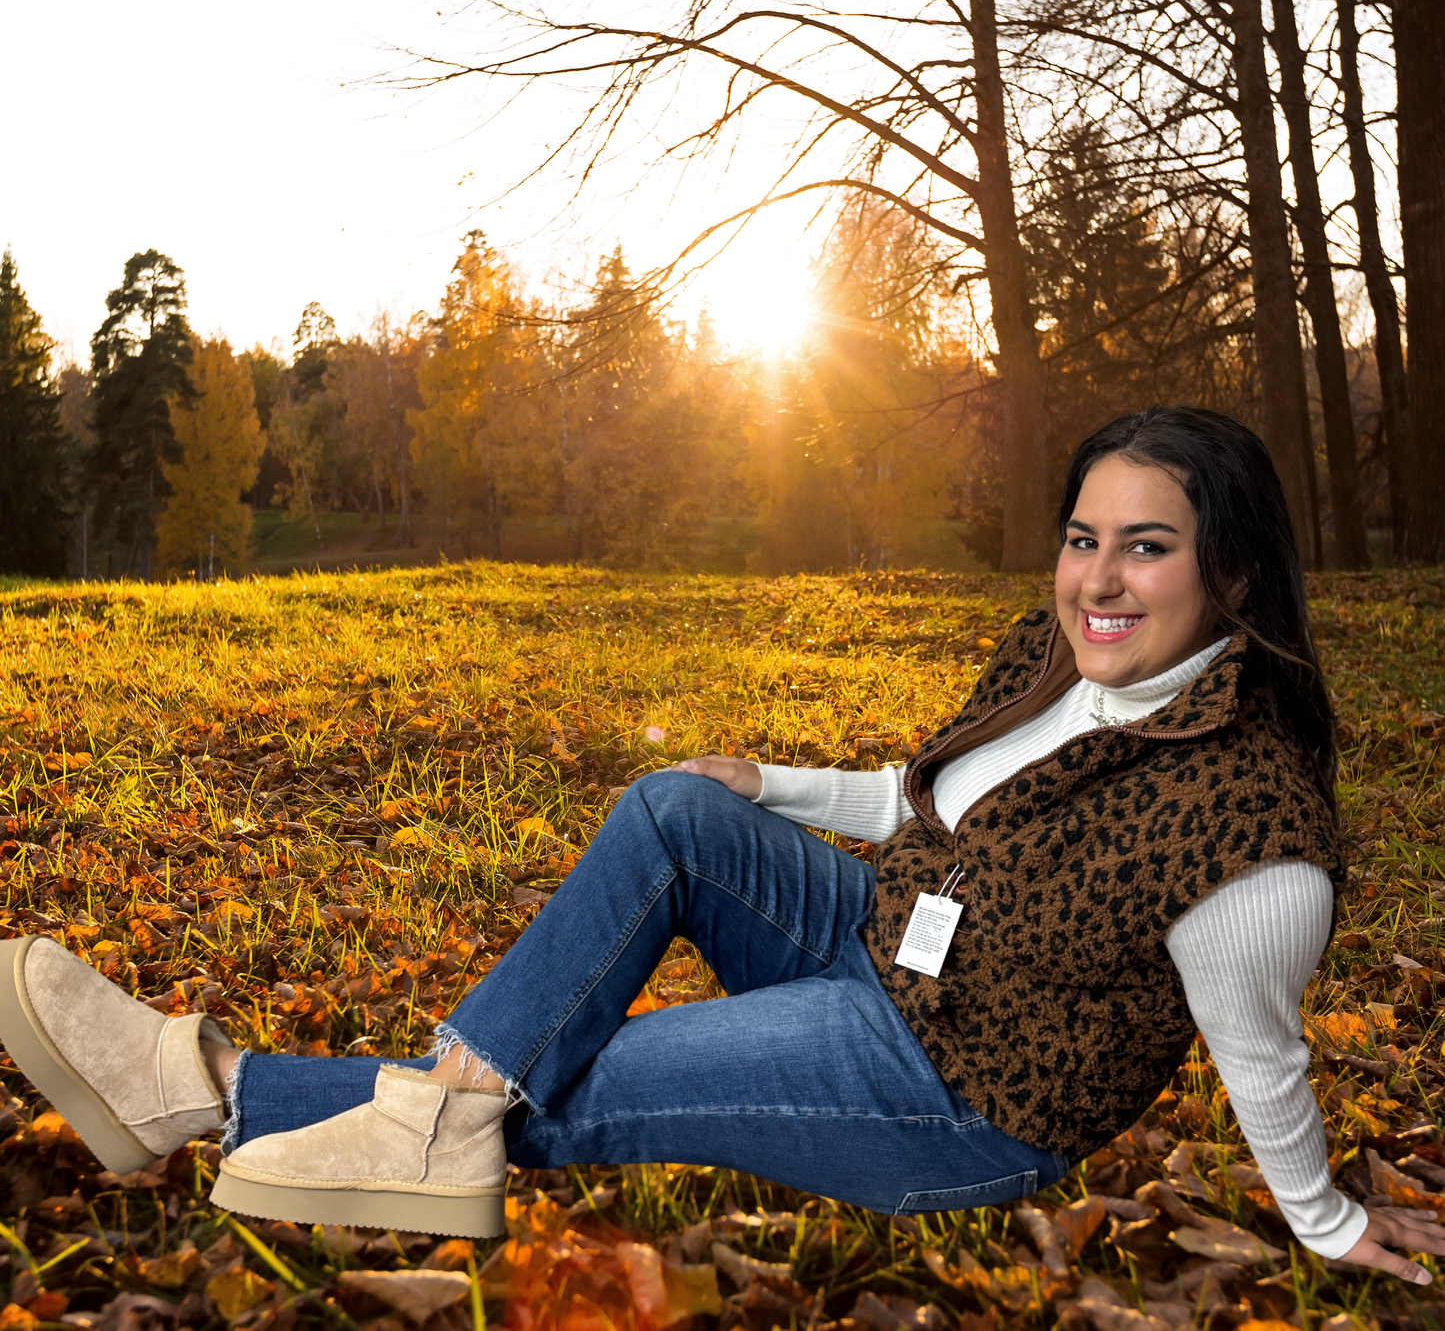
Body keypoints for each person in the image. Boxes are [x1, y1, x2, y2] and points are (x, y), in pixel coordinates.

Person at [0, 407, 1439, 1283]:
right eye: (1083, 536)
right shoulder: (1062, 654)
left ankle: (200, 1088)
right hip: (886, 938)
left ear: (1233, 574)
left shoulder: (1255, 840)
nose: (1096, 578)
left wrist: (1320, 1224)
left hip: (957, 1091)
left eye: (1147, 546)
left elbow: (1261, 1056)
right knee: (675, 809)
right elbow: (923, 803)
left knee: (585, 1076)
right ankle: (418, 1107)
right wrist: (779, 783)